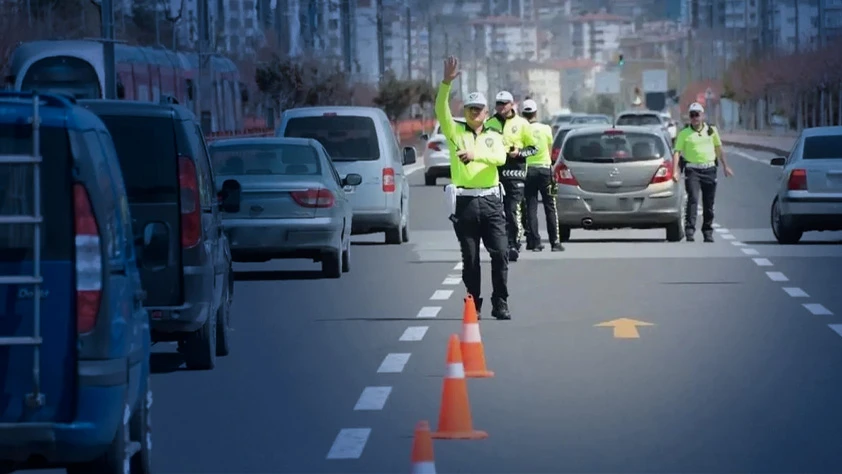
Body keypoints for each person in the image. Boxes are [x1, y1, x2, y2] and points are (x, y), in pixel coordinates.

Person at [436, 56, 512, 320]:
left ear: (487, 113)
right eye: (469, 109)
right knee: (470, 258)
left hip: (491, 202)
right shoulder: (455, 132)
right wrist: (446, 82)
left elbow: (501, 159)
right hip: (465, 204)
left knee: (500, 252)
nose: (474, 113)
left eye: (478, 109)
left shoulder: (493, 136)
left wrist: (475, 155)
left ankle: (500, 301)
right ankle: (473, 303)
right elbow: (440, 110)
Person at [484, 90, 537, 262]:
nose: (501, 107)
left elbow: (534, 148)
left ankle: (513, 244)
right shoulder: (489, 123)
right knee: (497, 212)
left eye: (505, 103)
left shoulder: (522, 124)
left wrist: (519, 152)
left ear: (512, 104)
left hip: (516, 173)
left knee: (512, 209)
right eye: (498, 104)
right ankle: (501, 244)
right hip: (495, 174)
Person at [672, 102, 734, 242]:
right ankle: (689, 230)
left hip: (709, 169)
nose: (695, 118)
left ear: (703, 115)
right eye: (692, 115)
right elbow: (677, 152)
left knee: (709, 203)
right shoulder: (684, 133)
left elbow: (718, 149)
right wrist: (675, 171)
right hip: (692, 170)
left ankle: (707, 231)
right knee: (693, 199)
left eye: (697, 114)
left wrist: (725, 166)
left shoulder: (711, 131)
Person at [521, 99, 564, 252]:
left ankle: (534, 242)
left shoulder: (522, 130)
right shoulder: (546, 128)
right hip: (546, 170)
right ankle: (555, 242)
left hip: (528, 171)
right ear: (535, 113)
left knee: (530, 207)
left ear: (522, 113)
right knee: (550, 205)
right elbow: (550, 148)